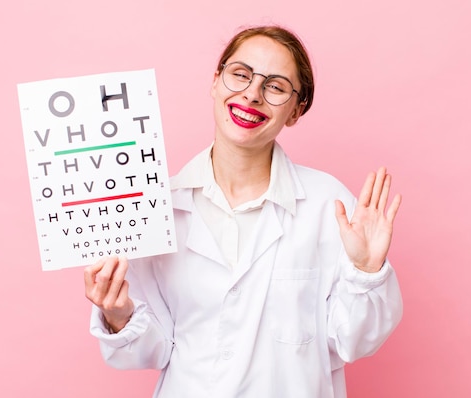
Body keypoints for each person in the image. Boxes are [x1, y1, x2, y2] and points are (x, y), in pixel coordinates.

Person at [84, 25, 403, 398]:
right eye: (240, 75)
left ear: (296, 111)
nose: (251, 94)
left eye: (276, 86)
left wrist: (366, 273)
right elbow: (151, 350)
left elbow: (354, 342)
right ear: (216, 81)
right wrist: (117, 314)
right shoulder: (158, 208)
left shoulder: (330, 206)